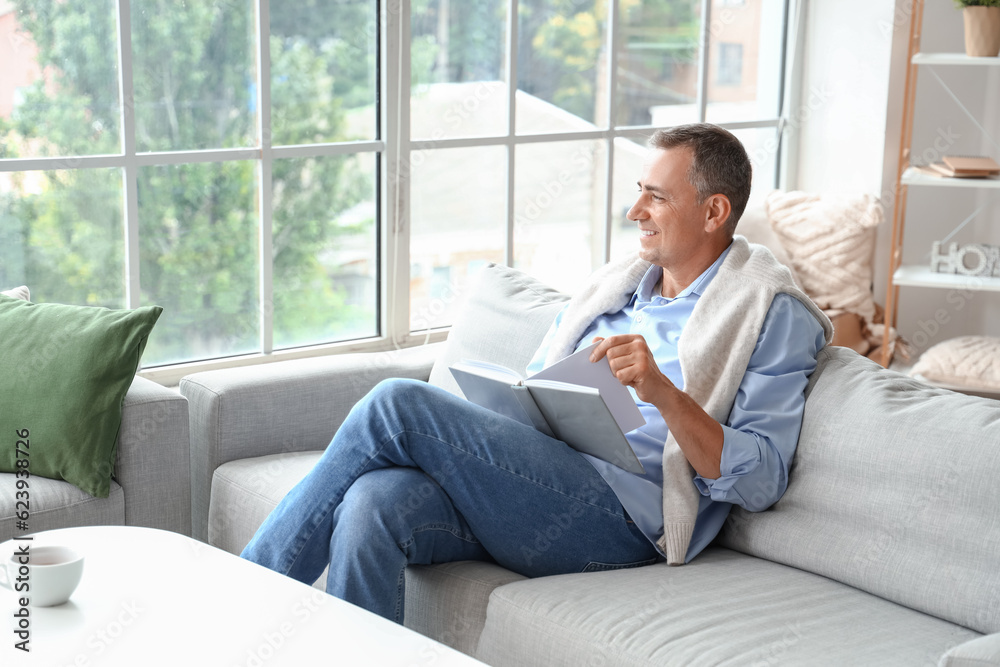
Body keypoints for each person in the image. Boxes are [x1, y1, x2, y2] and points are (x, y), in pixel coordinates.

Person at [241, 123, 832, 624]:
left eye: (656, 197)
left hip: (621, 520)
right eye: (638, 193)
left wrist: (663, 394)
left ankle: (238, 601)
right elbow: (537, 384)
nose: (635, 213)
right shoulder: (618, 285)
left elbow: (762, 481)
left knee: (397, 403)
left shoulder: (769, 313)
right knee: (373, 501)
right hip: (540, 486)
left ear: (714, 211)